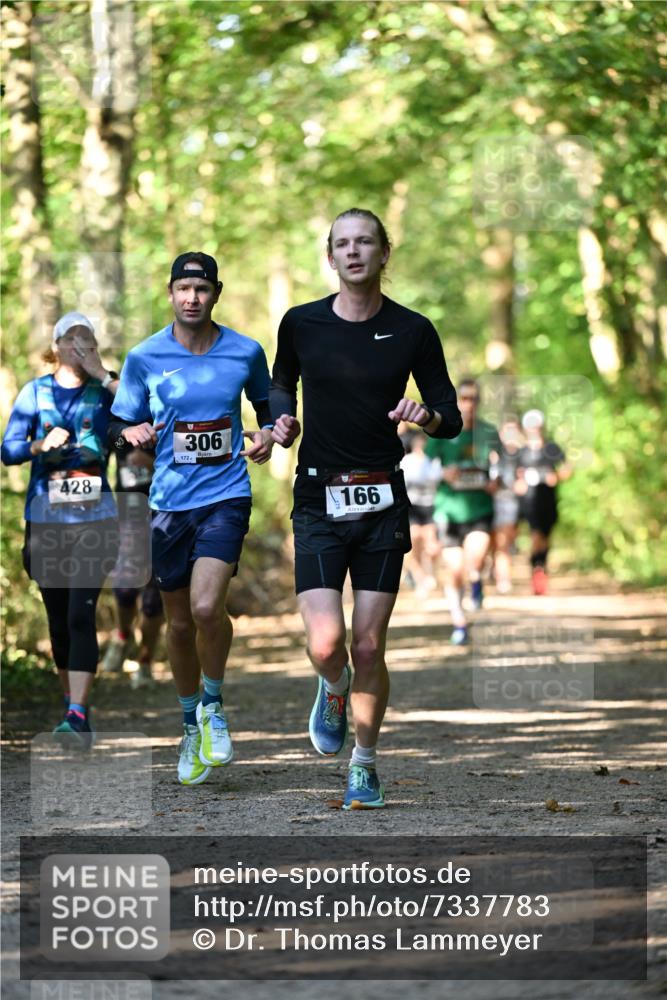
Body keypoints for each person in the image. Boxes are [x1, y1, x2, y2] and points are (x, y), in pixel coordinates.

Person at [270, 208, 461, 810]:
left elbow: (449, 415)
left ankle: (365, 762)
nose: (354, 253)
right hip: (318, 495)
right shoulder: (301, 323)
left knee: (370, 646)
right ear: (331, 257)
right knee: (329, 645)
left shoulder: (413, 329)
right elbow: (281, 382)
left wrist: (423, 415)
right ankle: (332, 688)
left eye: (366, 243)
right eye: (343, 244)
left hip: (382, 499)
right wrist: (279, 419)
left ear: (384, 253)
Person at [109, 252, 273, 785]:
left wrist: (271, 433)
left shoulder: (246, 351)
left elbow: (268, 409)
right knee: (177, 623)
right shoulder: (144, 357)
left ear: (216, 293)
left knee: (207, 607)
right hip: (168, 503)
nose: (191, 298)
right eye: (183, 288)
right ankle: (188, 726)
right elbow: (117, 424)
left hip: (226, 494)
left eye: (201, 289)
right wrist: (128, 434)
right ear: (170, 292)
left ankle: (214, 705)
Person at [1, 311, 120, 747]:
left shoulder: (106, 392)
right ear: (55, 346)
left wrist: (103, 373)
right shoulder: (35, 393)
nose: (80, 346)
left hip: (96, 521)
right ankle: (73, 712)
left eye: (88, 339)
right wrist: (37, 444)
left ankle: (78, 712)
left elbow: (140, 415)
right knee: (58, 620)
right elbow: (8, 450)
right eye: (72, 339)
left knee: (79, 613)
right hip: (46, 522)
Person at [425, 379, 500, 645]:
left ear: (478, 402)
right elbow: (424, 466)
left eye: (473, 399)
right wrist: (443, 472)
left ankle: (477, 579)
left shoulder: (489, 431)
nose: (468, 404)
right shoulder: (443, 431)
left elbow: (502, 467)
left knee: (475, 560)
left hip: (480, 508)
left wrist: (496, 481)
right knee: (454, 570)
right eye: (464, 398)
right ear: (457, 402)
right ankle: (458, 622)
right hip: (448, 510)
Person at [102, 446, 164, 685]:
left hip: (166, 512)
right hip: (129, 514)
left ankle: (145, 661)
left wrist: (153, 462)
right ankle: (122, 635)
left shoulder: (171, 411)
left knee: (153, 598)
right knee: (125, 588)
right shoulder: (120, 417)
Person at [514, 409, 571, 595]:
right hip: (529, 500)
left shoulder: (552, 449)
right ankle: (536, 571)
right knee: (536, 535)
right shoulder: (521, 453)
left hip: (548, 498)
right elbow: (515, 476)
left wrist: (556, 476)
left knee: (545, 537)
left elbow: (567, 469)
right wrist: (519, 483)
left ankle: (541, 566)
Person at [400, 430, 442, 596]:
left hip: (430, 506)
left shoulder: (433, 461)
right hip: (412, 507)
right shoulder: (406, 461)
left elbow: (438, 478)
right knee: (413, 542)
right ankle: (420, 578)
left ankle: (429, 574)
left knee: (432, 546)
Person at [489, 417, 524, 594]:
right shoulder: (492, 453)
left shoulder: (522, 455)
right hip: (490, 502)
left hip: (510, 503)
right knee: (494, 542)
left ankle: (504, 578)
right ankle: (494, 568)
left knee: (504, 542)